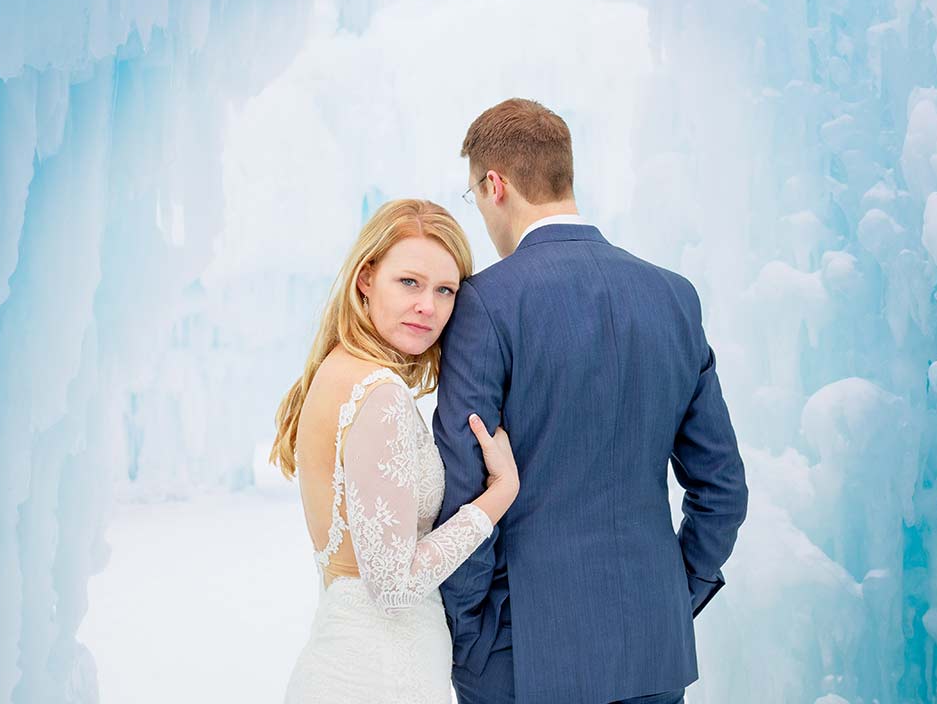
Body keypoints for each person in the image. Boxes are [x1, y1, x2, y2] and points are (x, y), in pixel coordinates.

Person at [434, 98, 749, 704]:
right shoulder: (674, 297)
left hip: (520, 656)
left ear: (494, 185)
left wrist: (471, 635)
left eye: (472, 196)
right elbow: (723, 490)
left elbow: (463, 482)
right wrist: (676, 595)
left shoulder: (484, 302)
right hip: (653, 648)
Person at [273, 199, 519, 703]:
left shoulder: (337, 370)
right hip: (379, 679)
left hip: (350, 663)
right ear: (366, 278)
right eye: (409, 282)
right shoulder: (377, 391)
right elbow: (393, 584)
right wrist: (499, 495)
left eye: (445, 290)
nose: (428, 306)